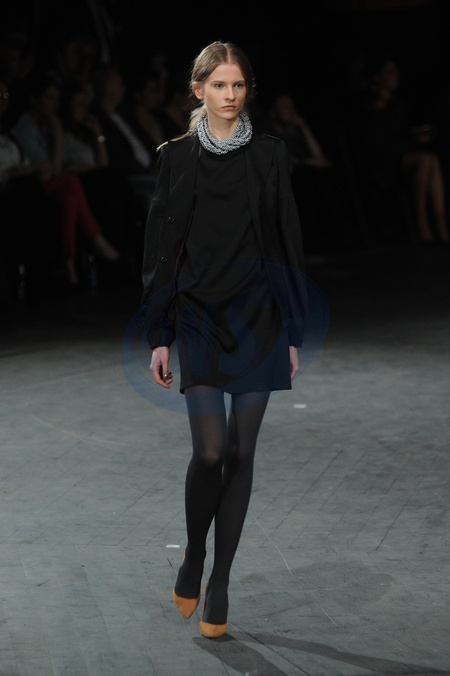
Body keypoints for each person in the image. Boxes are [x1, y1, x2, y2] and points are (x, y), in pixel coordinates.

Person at [140, 41, 306, 639]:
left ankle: (221, 582)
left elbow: (287, 241)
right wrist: (159, 333)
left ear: (246, 90)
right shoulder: (176, 157)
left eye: (237, 85)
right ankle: (193, 554)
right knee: (210, 453)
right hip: (200, 316)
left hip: (259, 316)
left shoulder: (270, 154)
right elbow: (160, 251)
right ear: (198, 90)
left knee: (241, 453)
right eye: (218, 85)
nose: (229, 95)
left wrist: (292, 330)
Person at [12, 72, 121, 286]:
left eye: (56, 99)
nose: (54, 104)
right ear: (35, 100)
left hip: (57, 185)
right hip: (31, 185)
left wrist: (92, 137)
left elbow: (81, 163)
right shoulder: (27, 125)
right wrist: (59, 133)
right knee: (71, 181)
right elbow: (51, 169)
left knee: (71, 198)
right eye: (49, 98)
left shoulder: (49, 124)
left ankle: (69, 266)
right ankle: (97, 240)